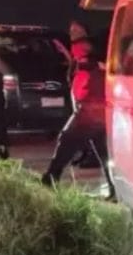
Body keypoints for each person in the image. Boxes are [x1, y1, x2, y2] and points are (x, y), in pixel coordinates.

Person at [42, 35, 108, 189]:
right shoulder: (86, 65)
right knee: (104, 152)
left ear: (85, 49)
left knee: (66, 141)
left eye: (75, 49)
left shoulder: (92, 66)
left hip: (87, 113)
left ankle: (50, 178)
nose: (73, 51)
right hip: (95, 114)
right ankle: (114, 188)